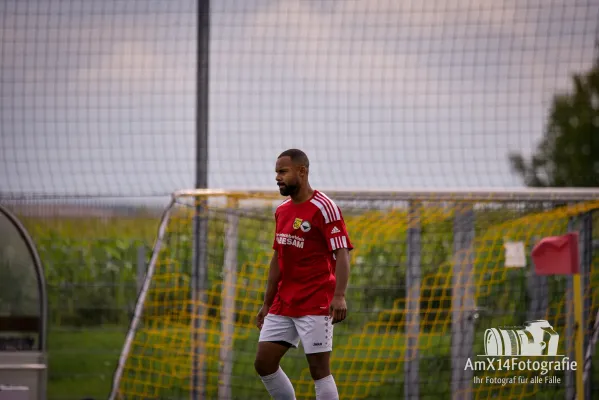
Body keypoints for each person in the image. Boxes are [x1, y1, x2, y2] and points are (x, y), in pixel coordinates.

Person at [254, 149, 353, 400]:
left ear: (302, 171)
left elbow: (342, 253)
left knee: (319, 371)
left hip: (315, 301)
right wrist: (267, 303)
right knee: (264, 363)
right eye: (276, 172)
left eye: (283, 171)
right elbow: (278, 257)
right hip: (284, 301)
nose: (278, 177)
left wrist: (339, 296)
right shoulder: (282, 211)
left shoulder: (325, 208)